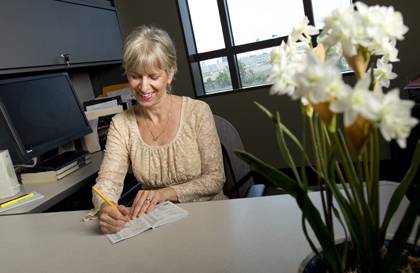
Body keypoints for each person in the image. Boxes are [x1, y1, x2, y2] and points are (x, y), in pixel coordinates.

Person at [92, 25, 227, 234]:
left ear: (170, 73)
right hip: (156, 224)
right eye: (136, 76)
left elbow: (215, 179)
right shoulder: (121, 124)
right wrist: (104, 209)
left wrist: (166, 193)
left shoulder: (198, 112)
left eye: (153, 77)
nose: (144, 87)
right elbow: (107, 182)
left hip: (208, 218)